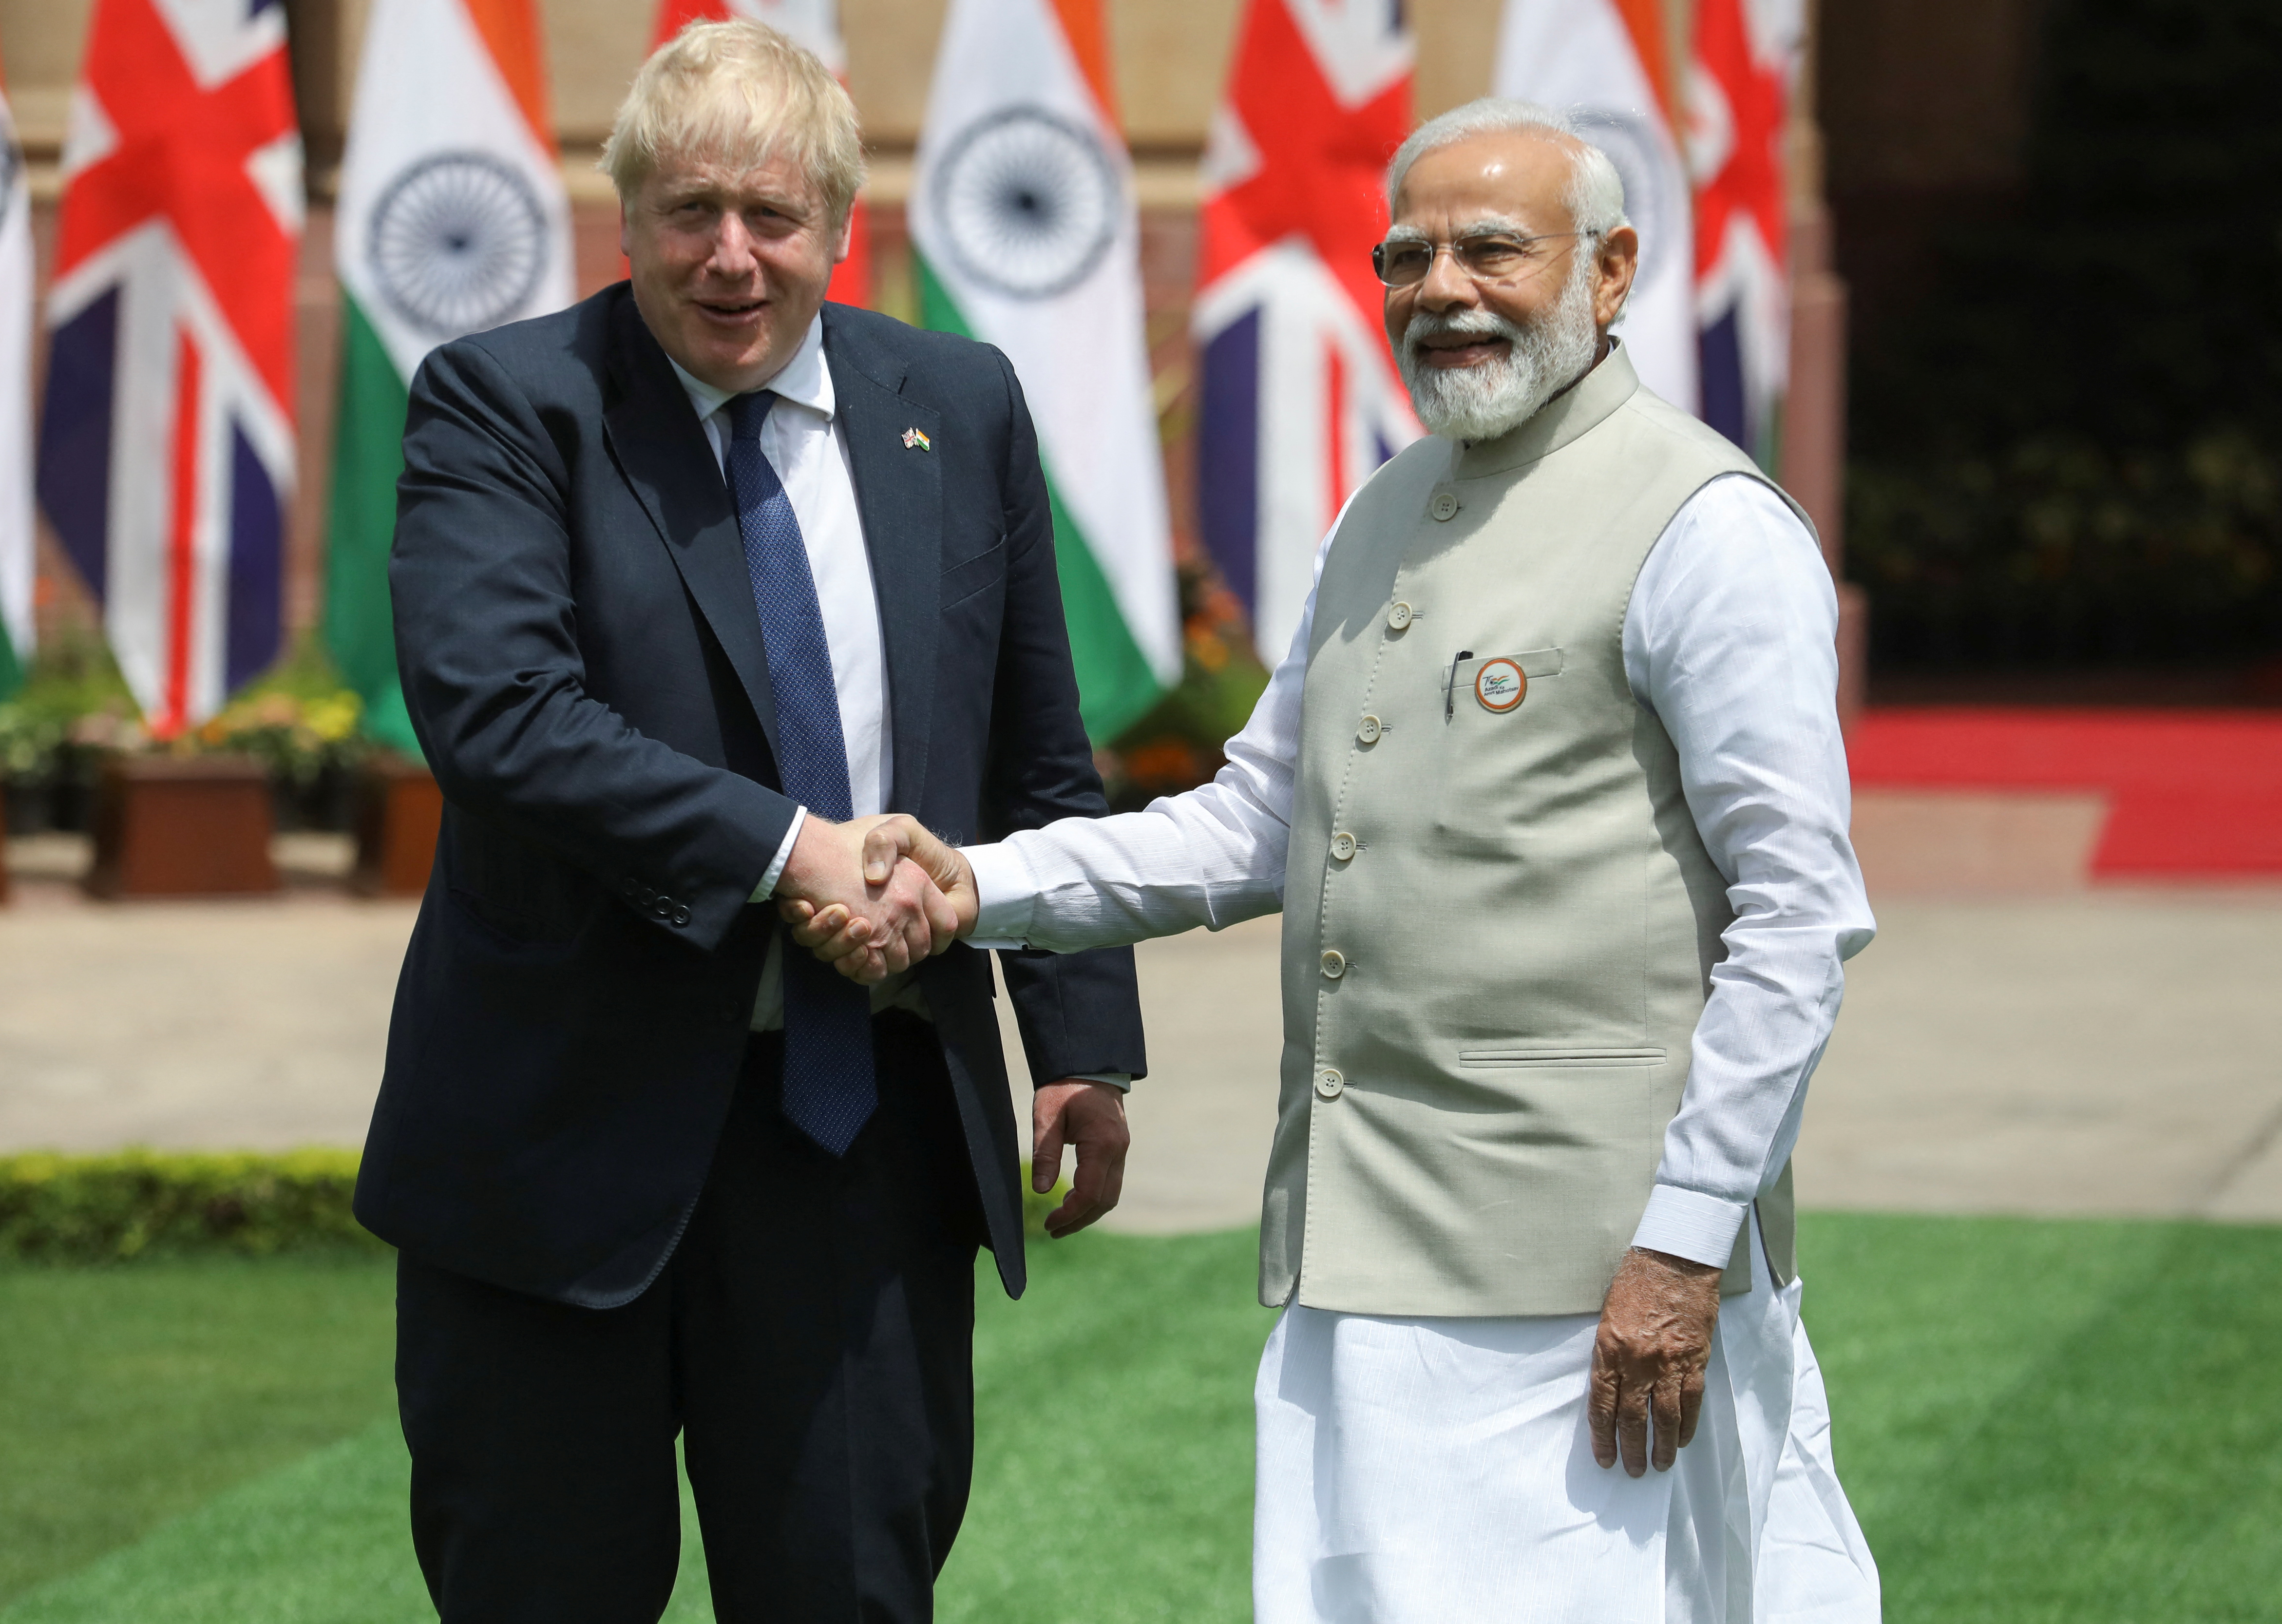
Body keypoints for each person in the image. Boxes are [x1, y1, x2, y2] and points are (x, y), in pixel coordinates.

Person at [794, 99, 1883, 1622]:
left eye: (1494, 249)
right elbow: (1255, 823)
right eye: (1407, 253)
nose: (1442, 289)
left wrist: (1684, 1248)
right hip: (1360, 1257)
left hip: (1595, 1282)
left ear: (1615, 270)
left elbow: (1797, 921)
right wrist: (978, 886)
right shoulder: (1385, 510)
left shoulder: (1706, 526)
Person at [351, 21, 1144, 1621]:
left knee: (853, 1595)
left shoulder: (960, 402)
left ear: (843, 224)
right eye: (689, 213)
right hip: (557, 1137)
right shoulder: (509, 405)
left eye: (771, 217)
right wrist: (798, 852)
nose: (731, 259)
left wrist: (1079, 1035)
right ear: (626, 217)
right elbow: (499, 717)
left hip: (862, 1134)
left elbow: (1032, 750)